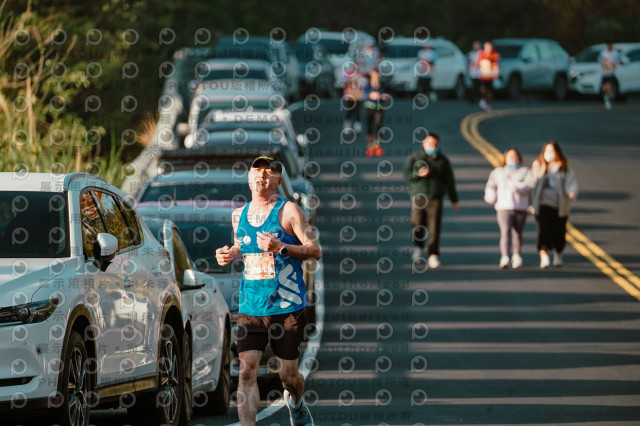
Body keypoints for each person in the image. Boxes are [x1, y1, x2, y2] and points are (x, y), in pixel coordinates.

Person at [215, 156, 321, 426]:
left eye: (269, 172)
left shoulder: (290, 211)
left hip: (286, 305)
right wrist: (230, 253)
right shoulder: (238, 215)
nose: (262, 175)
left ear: (279, 181)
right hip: (251, 304)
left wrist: (281, 248)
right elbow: (242, 245)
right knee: (246, 371)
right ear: (249, 178)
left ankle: (296, 403)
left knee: (288, 377)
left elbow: (314, 250)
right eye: (257, 171)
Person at [403, 133, 459, 269]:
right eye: (429, 144)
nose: (432, 146)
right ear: (423, 144)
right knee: (417, 224)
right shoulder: (415, 158)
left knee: (435, 227)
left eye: (434, 144)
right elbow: (407, 175)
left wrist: (454, 199)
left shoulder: (443, 160)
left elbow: (449, 181)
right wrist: (418, 174)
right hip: (419, 197)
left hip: (435, 198)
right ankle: (419, 246)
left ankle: (433, 254)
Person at [484, 148, 535, 269]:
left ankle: (516, 256)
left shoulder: (525, 172)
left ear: (519, 158)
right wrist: (491, 196)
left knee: (517, 233)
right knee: (505, 231)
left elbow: (530, 186)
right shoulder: (498, 172)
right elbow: (490, 186)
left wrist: (515, 184)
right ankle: (505, 257)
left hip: (520, 207)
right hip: (503, 207)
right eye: (510, 156)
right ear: (505, 158)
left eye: (515, 156)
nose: (513, 158)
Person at [530, 141, 578, 268]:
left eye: (552, 151)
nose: (550, 154)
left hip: (559, 206)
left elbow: (570, 182)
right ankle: (544, 255)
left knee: (559, 232)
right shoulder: (539, 165)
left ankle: (558, 254)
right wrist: (529, 203)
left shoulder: (563, 167)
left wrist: (572, 192)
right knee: (543, 231)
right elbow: (531, 183)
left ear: (557, 152)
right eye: (547, 151)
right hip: (542, 205)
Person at [362, 70, 388, 157]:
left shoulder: (382, 85)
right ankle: (370, 146)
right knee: (369, 127)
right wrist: (370, 95)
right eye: (373, 75)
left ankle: (376, 145)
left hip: (379, 109)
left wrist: (383, 97)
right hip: (369, 109)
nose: (375, 77)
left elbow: (387, 95)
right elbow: (363, 95)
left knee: (378, 126)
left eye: (377, 75)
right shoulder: (367, 85)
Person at [476, 40, 500, 111]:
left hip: (490, 76)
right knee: (482, 88)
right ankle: (483, 100)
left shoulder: (494, 54)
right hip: (483, 75)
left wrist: (496, 73)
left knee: (489, 91)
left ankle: (487, 103)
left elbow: (496, 63)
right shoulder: (481, 54)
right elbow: (478, 63)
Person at [598, 41, 621, 110]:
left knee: (611, 88)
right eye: (608, 45)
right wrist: (604, 64)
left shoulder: (615, 53)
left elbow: (619, 60)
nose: (609, 46)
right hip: (605, 73)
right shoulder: (603, 52)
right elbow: (599, 60)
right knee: (605, 88)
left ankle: (609, 100)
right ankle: (606, 99)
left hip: (612, 73)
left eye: (610, 45)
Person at [342, 62, 363, 133]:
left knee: (358, 111)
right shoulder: (348, 73)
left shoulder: (361, 74)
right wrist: (351, 79)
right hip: (350, 96)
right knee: (350, 110)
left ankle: (357, 126)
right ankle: (347, 126)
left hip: (358, 96)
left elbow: (363, 84)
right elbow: (344, 82)